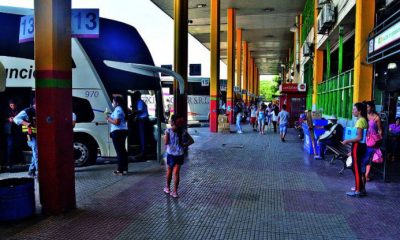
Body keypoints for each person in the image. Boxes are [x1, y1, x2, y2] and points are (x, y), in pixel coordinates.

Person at [163, 115, 194, 198]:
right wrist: (184, 145)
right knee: (176, 173)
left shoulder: (168, 131)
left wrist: (164, 137)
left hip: (171, 154)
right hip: (180, 154)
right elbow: (191, 141)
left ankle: (167, 188)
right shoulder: (183, 131)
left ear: (172, 122)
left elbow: (166, 143)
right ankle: (175, 192)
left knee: (169, 171)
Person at [342, 102, 368, 197]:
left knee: (356, 169)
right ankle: (361, 188)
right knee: (355, 167)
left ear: (359, 111)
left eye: (354, 109)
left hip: (358, 146)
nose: (353, 111)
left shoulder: (360, 121)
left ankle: (357, 191)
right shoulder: (363, 120)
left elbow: (359, 137)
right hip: (359, 147)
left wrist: (347, 140)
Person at [13, 98, 38, 177]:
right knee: (37, 152)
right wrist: (26, 123)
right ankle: (40, 172)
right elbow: (15, 119)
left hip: (39, 135)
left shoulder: (43, 110)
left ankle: (31, 170)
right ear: (35, 104)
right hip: (30, 135)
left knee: (36, 152)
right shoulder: (27, 111)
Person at [106, 96, 129, 175]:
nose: (112, 103)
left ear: (117, 102)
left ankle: (120, 170)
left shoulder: (118, 109)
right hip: (121, 132)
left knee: (119, 151)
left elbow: (117, 122)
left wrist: (108, 119)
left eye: (113, 102)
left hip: (118, 132)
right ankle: (124, 169)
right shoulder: (120, 109)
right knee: (122, 151)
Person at [364, 101, 383, 181]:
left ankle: (366, 175)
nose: (366, 109)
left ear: (372, 108)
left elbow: (380, 130)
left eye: (368, 107)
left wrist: (379, 138)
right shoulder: (364, 116)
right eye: (366, 107)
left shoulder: (377, 118)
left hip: (372, 141)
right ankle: (364, 173)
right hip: (364, 138)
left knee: (368, 157)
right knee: (364, 156)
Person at [2, 99, 22, 171]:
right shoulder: (6, 111)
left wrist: (15, 118)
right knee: (9, 146)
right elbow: (2, 118)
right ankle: (9, 163)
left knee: (17, 146)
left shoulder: (19, 111)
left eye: (13, 105)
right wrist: (8, 119)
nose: (12, 106)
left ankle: (18, 161)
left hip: (16, 131)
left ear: (16, 105)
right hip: (9, 131)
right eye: (11, 105)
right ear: (9, 105)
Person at [132, 91, 149, 159]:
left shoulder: (140, 102)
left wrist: (132, 111)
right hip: (141, 120)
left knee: (143, 137)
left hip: (143, 121)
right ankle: (142, 151)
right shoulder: (139, 102)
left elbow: (140, 110)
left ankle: (143, 153)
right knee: (142, 136)